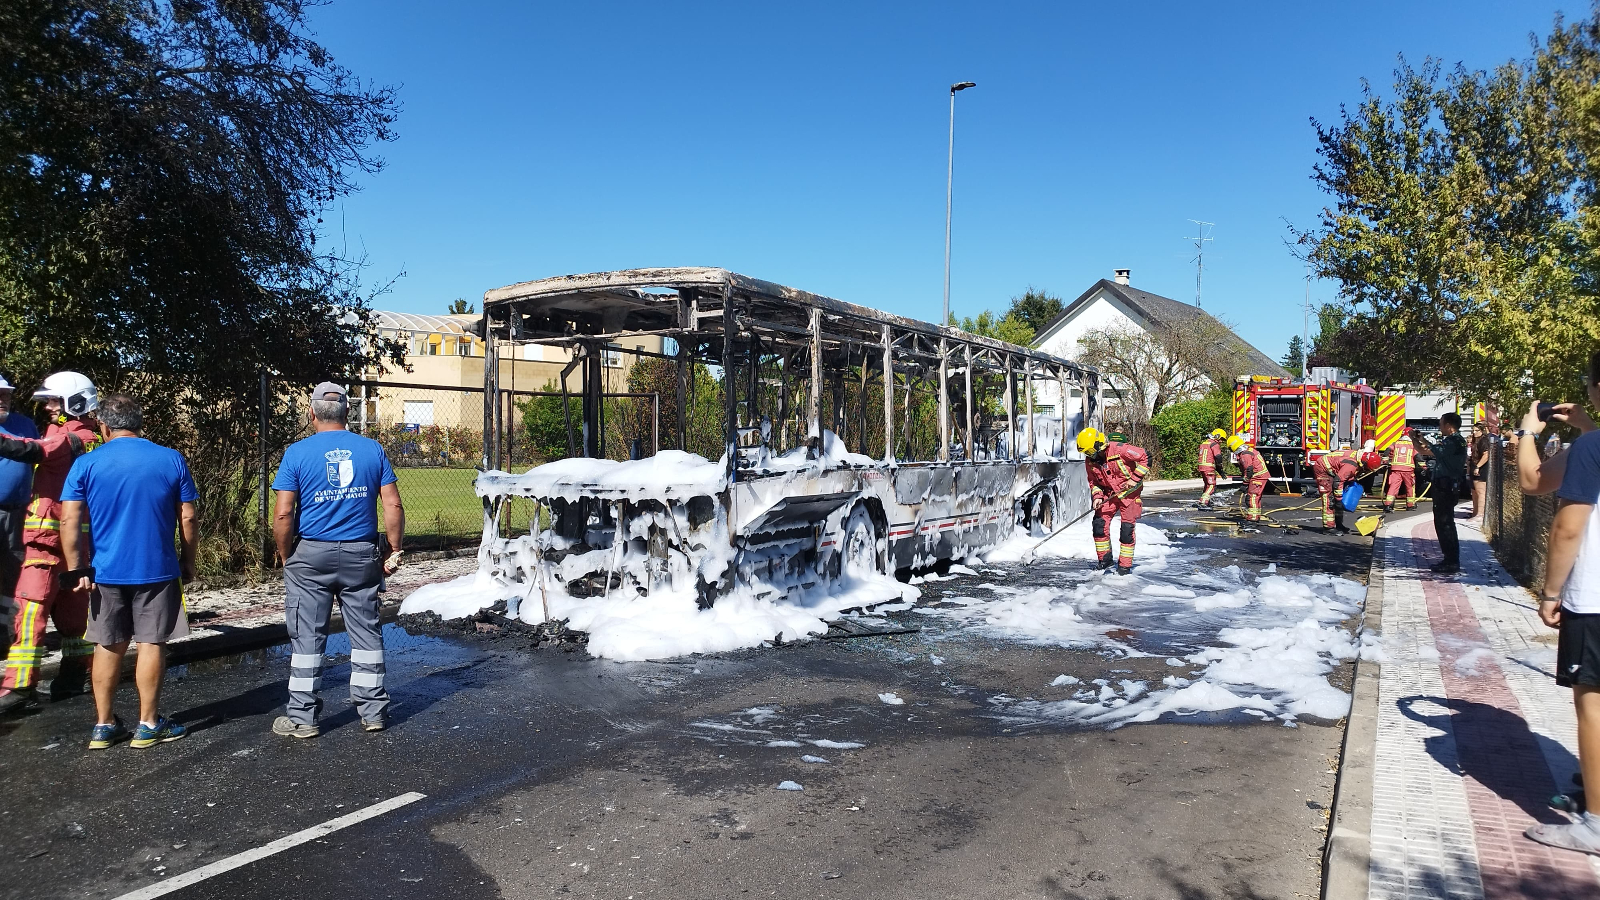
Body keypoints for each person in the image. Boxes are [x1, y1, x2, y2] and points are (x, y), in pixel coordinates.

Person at [60, 394, 198, 749]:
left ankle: (104, 725)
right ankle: (148, 723)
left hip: (105, 572)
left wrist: (78, 569)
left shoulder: (86, 464)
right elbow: (188, 516)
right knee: (151, 642)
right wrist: (188, 560)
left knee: (108, 644)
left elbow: (69, 518)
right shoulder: (170, 459)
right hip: (158, 569)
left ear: (103, 425)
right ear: (140, 423)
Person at [271, 382, 404, 738]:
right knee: (365, 632)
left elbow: (284, 514)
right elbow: (392, 504)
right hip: (361, 554)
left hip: (310, 555)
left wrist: (286, 555)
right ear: (348, 412)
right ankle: (373, 712)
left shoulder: (297, 453)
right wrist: (393, 547)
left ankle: (303, 718)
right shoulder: (372, 449)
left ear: (311, 413)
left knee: (306, 637)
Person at [1524, 352, 1600, 855]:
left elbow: (1538, 487)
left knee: (1593, 704)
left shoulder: (1592, 447)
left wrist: (1529, 429)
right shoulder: (1591, 442)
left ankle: (1594, 826)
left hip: (1595, 599)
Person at [0, 372, 101, 714]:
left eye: (53, 401)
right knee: (74, 617)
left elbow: (27, 450)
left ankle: (19, 685)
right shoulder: (90, 435)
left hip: (48, 541)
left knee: (29, 610)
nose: (46, 407)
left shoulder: (73, 438)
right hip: (76, 544)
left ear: (74, 402)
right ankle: (76, 676)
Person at [0, 376, 38, 659]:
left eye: (7, 394)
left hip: (19, 511)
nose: (3, 399)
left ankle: (7, 634)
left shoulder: (25, 425)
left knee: (14, 572)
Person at [1076, 427, 1149, 576]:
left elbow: (1146, 457)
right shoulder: (1090, 461)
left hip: (1129, 495)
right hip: (1109, 495)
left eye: (1090, 452)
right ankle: (1105, 560)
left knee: (1126, 531)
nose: (1089, 456)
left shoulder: (1120, 450)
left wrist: (1134, 479)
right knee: (1099, 524)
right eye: (1086, 453)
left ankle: (1124, 567)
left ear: (1099, 445)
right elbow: (1093, 482)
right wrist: (1097, 497)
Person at [1415, 412, 1468, 574]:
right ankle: (1449, 559)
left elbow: (1434, 449)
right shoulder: (1450, 441)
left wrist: (1422, 438)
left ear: (1449, 425)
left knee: (1445, 524)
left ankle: (1451, 561)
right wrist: (1414, 439)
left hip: (1447, 487)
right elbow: (1426, 452)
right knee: (1442, 523)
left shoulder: (1455, 441)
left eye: (1441, 423)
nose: (1439, 426)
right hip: (1442, 486)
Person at [1314, 446, 1383, 534]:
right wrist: (1338, 499)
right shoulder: (1351, 465)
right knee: (1329, 498)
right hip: (1322, 469)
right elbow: (1338, 481)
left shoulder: (1357, 457)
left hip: (1333, 470)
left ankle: (1338, 524)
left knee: (1338, 500)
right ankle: (1329, 528)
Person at [1229, 434, 1270, 522]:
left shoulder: (1245, 454)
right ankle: (1256, 515)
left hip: (1258, 477)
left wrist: (1245, 484)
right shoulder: (1248, 450)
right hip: (1260, 476)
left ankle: (1253, 518)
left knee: (1252, 497)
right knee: (1256, 497)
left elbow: (1249, 470)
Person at [1383, 428, 1420, 513]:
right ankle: (1410, 505)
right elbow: (1418, 457)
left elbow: (1387, 451)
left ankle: (1388, 505)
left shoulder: (1396, 443)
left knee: (1393, 487)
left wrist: (1385, 461)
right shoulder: (1413, 444)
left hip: (1395, 469)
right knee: (1409, 487)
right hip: (1408, 470)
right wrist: (1424, 467)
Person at [1197, 429, 1227, 509]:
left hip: (1201, 467)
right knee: (1211, 485)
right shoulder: (1214, 444)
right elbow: (1218, 457)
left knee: (1207, 485)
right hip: (1208, 468)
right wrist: (1220, 469)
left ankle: (1207, 501)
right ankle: (1203, 502)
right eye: (1221, 439)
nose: (1221, 441)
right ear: (1217, 436)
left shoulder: (1204, 443)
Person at [1470, 422, 1491, 519]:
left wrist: (1478, 466)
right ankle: (1475, 513)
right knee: (1474, 491)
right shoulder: (1476, 440)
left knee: (1480, 491)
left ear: (1482, 431)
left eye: (1476, 430)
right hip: (1474, 467)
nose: (1474, 432)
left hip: (1481, 468)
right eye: (1473, 430)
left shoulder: (1483, 440)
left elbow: (1486, 455)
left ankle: (1480, 514)